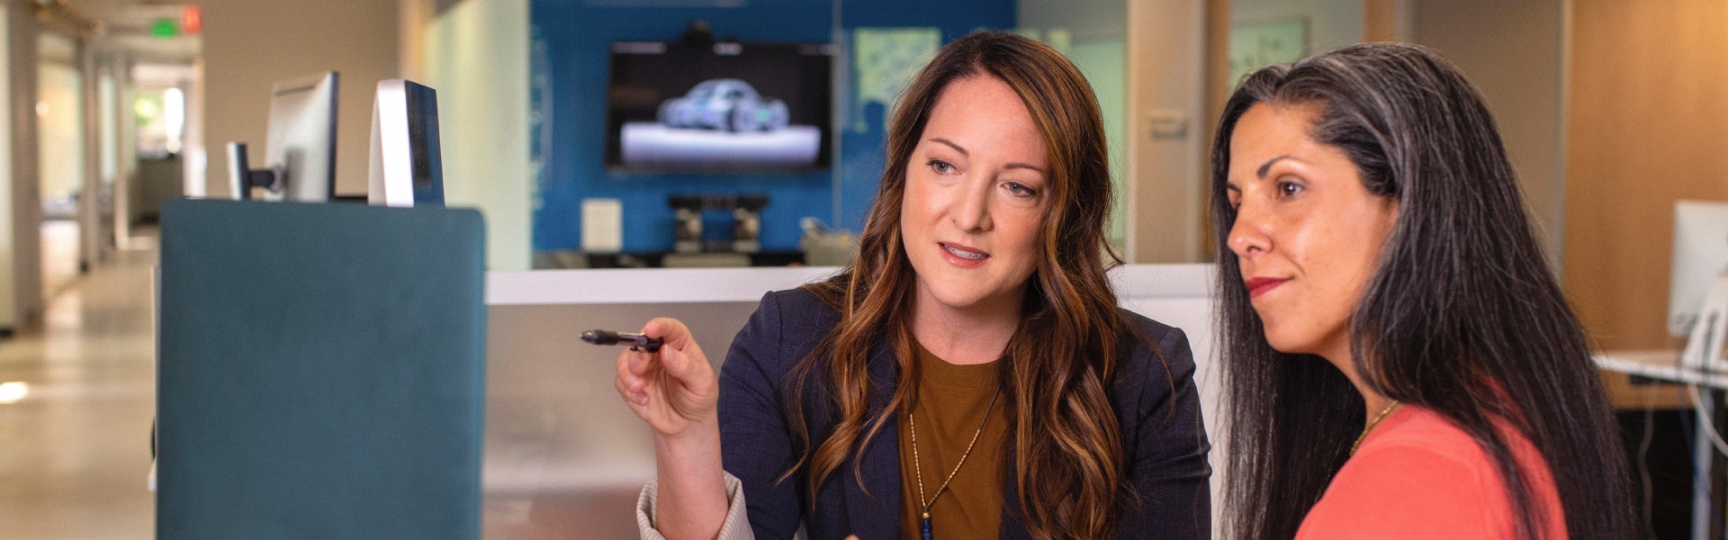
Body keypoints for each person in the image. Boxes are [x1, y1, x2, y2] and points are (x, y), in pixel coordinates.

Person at [614, 31, 1211, 540]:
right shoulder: (789, 338)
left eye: (1018, 186)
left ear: (1065, 212)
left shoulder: (1144, 374)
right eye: (945, 166)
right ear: (904, 172)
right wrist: (688, 440)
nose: (969, 215)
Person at [1211, 43, 1635, 540]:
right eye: (1237, 202)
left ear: (1411, 204)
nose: (1240, 236)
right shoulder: (1494, 414)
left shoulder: (1417, 475)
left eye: (1288, 189)